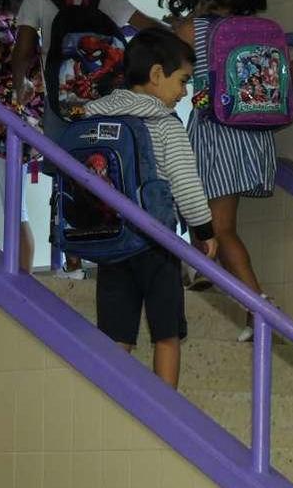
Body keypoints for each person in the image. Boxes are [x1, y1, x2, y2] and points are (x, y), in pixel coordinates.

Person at [151, 0, 293, 341]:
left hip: (216, 135)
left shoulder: (191, 31)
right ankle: (207, 273)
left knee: (220, 228)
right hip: (255, 139)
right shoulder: (261, 30)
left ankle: (257, 310)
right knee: (210, 221)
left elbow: (161, 73)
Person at [84, 27, 217, 389]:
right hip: (156, 242)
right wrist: (203, 232)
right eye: (183, 80)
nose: (185, 92)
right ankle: (166, 415)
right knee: (167, 333)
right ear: (157, 74)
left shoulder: (96, 116)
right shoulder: (164, 122)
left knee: (115, 334)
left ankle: (110, 407)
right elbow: (186, 183)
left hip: (109, 238)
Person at [11, 0, 162, 279]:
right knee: (113, 172)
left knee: (67, 175)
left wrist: (22, 84)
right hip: (111, 107)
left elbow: (22, 51)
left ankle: (74, 261)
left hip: (62, 106)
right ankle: (117, 253)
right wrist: (182, 32)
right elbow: (150, 29)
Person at [0, 9, 42, 272]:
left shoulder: (5, 25)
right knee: (17, 210)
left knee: (16, 211)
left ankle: (23, 280)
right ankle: (25, 281)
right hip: (21, 122)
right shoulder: (24, 21)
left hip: (7, 128)